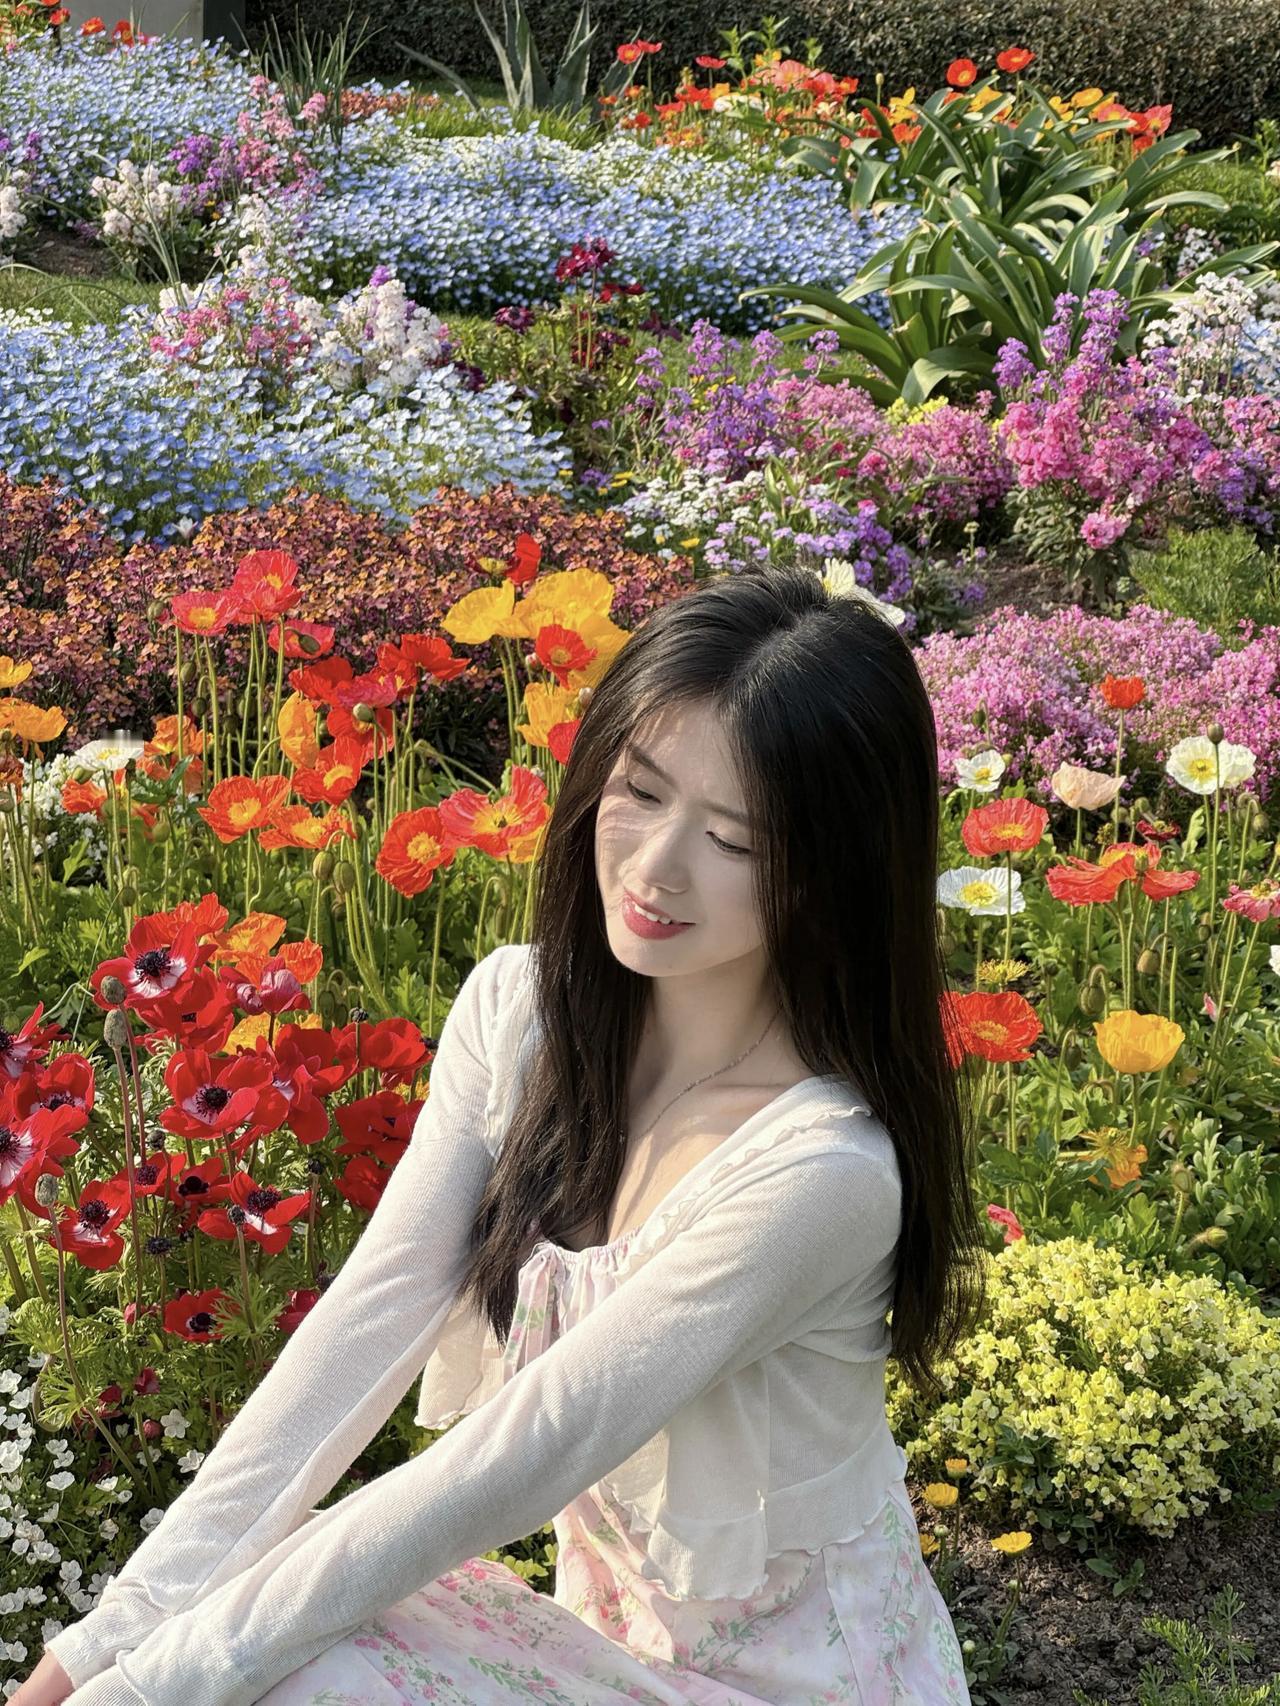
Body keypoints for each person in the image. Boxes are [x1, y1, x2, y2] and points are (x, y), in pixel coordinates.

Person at [20, 565, 985, 1706]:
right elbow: (361, 1330)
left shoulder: (821, 1172)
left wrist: (149, 1691)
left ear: (836, 874)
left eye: (734, 840)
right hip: (608, 1661)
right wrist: (104, 1646)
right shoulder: (521, 1018)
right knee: (274, 1620)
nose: (655, 866)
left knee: (296, 1665)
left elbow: (524, 1450)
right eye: (639, 790)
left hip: (804, 1688)